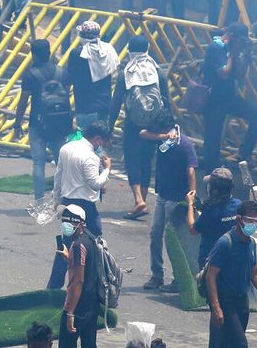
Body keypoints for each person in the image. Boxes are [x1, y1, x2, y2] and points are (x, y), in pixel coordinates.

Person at [109, 36, 169, 219]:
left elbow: (116, 102)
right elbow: (166, 102)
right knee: (146, 161)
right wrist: (169, 126)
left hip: (133, 124)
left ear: (129, 50)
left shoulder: (126, 74)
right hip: (154, 124)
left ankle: (139, 200)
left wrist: (109, 127)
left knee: (132, 161)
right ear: (148, 49)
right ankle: (140, 202)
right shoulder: (158, 73)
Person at [47, 121, 111, 289]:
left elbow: (58, 175)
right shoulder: (90, 157)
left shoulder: (66, 148)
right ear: (97, 139)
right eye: (102, 141)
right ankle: (90, 284)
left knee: (66, 243)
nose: (102, 145)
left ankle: (54, 286)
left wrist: (56, 198)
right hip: (85, 206)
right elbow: (95, 184)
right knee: (95, 243)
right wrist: (107, 170)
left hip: (68, 202)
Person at [139, 109, 197, 292]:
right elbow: (143, 133)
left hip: (176, 197)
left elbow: (191, 171)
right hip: (163, 195)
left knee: (174, 239)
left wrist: (192, 196)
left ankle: (178, 279)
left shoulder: (184, 144)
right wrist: (163, 136)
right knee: (155, 235)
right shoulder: (163, 137)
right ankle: (157, 276)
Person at [201, 22, 257, 171]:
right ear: (231, 36)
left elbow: (240, 74)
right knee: (212, 140)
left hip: (229, 98)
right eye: (240, 40)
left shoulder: (230, 49)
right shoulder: (215, 48)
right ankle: (211, 175)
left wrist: (246, 56)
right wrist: (233, 54)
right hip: (213, 100)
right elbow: (223, 74)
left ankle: (244, 153)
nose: (240, 43)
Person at [206, 200, 257, 348]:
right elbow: (211, 275)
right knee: (239, 344)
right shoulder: (225, 243)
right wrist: (216, 308)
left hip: (242, 301)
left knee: (226, 343)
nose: (253, 225)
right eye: (249, 220)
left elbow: (254, 274)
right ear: (239, 219)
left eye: (256, 221)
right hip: (226, 301)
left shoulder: (251, 243)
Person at [14, 39, 71, 200]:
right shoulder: (62, 72)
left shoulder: (31, 75)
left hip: (37, 122)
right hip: (60, 123)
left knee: (38, 163)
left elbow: (23, 101)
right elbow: (66, 95)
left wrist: (17, 124)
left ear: (33, 55)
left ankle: (39, 201)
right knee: (61, 163)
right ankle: (62, 198)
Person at [57, 205, 101, 348]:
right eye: (63, 221)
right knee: (89, 344)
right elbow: (86, 268)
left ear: (79, 223)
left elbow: (78, 281)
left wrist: (70, 313)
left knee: (66, 343)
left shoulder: (77, 245)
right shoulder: (90, 239)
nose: (65, 225)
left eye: (68, 221)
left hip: (79, 306)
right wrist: (68, 258)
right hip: (92, 304)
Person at [67, 21, 118, 129]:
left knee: (86, 143)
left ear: (81, 35)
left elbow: (69, 80)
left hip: (85, 108)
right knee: (101, 142)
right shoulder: (107, 50)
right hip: (105, 106)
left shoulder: (77, 54)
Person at [188, 167, 240, 269]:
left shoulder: (211, 211)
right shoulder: (238, 205)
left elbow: (193, 230)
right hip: (232, 258)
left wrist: (190, 204)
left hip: (209, 259)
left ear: (214, 190)